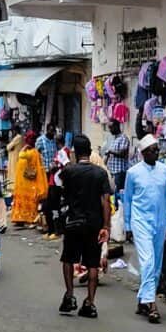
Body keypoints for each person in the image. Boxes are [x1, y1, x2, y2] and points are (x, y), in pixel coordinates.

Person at [58, 135, 111, 319]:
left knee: (68, 258)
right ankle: (90, 302)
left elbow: (61, 192)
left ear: (75, 152)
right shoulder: (100, 173)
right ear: (89, 151)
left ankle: (70, 295)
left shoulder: (69, 172)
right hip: (94, 223)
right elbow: (106, 201)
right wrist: (105, 226)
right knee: (92, 262)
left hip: (73, 221)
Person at [124, 134, 166, 324]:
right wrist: (127, 225)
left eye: (157, 149)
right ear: (143, 153)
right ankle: (152, 304)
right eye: (152, 150)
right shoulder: (133, 173)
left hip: (159, 221)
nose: (156, 153)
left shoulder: (163, 171)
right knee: (147, 262)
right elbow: (127, 200)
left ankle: (141, 301)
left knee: (156, 264)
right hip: (140, 221)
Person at [10, 131, 48, 227]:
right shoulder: (33, 152)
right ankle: (21, 219)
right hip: (23, 182)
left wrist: (25, 147)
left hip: (29, 182)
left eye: (32, 139)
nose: (31, 141)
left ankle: (28, 219)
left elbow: (21, 155)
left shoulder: (32, 152)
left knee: (29, 201)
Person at [104, 121, 130, 200]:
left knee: (119, 194)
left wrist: (111, 151)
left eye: (111, 128)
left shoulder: (123, 138)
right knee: (114, 193)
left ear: (116, 126)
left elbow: (123, 153)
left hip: (120, 172)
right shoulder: (114, 139)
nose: (110, 130)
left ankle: (120, 210)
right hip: (113, 172)